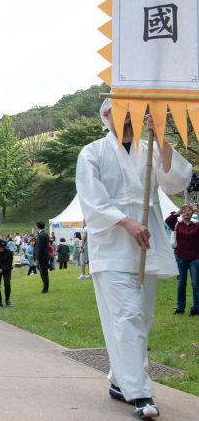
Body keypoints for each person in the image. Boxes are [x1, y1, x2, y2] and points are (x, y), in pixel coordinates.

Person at [75, 98, 192, 417]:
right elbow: (91, 199)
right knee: (127, 315)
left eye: (132, 113)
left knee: (142, 317)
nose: (126, 119)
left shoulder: (149, 147)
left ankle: (118, 379)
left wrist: (162, 138)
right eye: (119, 113)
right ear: (106, 116)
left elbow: (177, 179)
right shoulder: (93, 152)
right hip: (112, 246)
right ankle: (141, 393)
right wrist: (125, 221)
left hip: (146, 244)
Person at [165, 204, 199, 315]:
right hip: (180, 257)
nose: (187, 213)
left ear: (192, 213)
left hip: (195, 258)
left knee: (196, 284)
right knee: (181, 284)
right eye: (185, 211)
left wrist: (198, 210)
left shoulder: (196, 226)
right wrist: (178, 212)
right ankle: (180, 308)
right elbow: (168, 221)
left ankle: (196, 308)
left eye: (189, 211)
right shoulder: (177, 225)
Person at [34, 221, 50, 293]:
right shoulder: (45, 234)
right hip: (45, 255)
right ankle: (46, 286)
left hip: (42, 257)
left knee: (43, 273)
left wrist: (37, 258)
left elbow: (39, 248)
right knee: (44, 272)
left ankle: (45, 288)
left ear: (38, 226)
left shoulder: (41, 235)